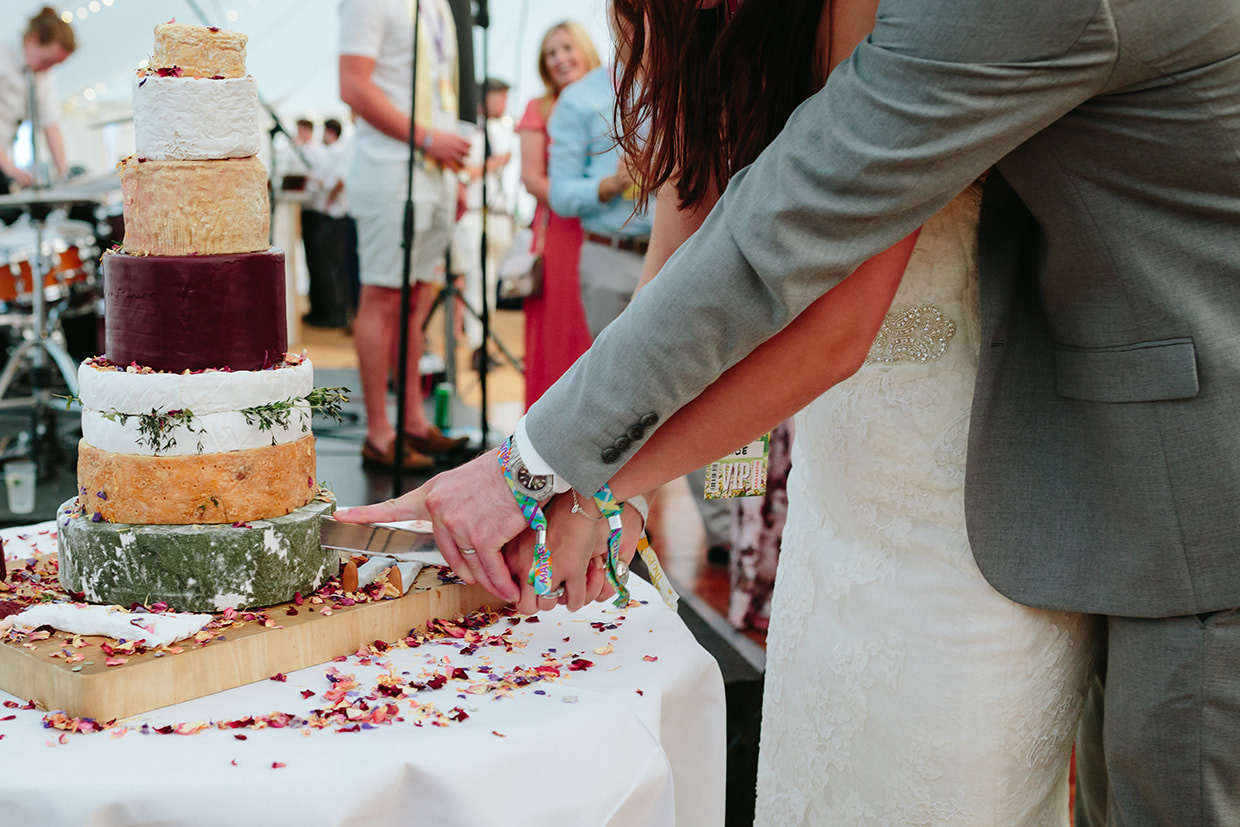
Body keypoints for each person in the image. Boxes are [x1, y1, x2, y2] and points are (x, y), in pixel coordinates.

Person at [340, 0, 1240, 824]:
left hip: (1137, 472)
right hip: (933, 481)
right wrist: (603, 482)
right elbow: (694, 233)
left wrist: (542, 469)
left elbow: (800, 280)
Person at [338, 0, 471, 470]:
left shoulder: (437, 5)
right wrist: (428, 139)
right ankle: (379, 432)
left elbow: (441, 92)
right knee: (382, 297)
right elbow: (353, 85)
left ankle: (413, 420)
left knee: (417, 297)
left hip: (434, 170)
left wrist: (452, 171)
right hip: (391, 169)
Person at [516, 21, 601, 409]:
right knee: (557, 334)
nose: (560, 59)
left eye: (567, 48)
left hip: (607, 230)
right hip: (560, 236)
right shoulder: (540, 108)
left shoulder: (614, 98)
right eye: (551, 54)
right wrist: (586, 195)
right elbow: (532, 179)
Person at [546, 63, 652, 339]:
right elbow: (560, 195)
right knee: (618, 373)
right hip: (611, 256)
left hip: (677, 253)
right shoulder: (580, 97)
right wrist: (612, 185)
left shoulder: (684, 81)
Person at [449, 77, 515, 369]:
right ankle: (477, 346)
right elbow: (462, 172)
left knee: (490, 285)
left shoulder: (506, 131)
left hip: (501, 216)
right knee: (479, 282)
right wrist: (493, 164)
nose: (503, 102)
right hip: (477, 214)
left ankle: (482, 342)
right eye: (498, 96)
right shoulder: (473, 133)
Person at [0, 7, 75, 199]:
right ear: (32, 40)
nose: (48, 69)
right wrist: (9, 167)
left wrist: (64, 174)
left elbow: (50, 122)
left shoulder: (41, 72)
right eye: (47, 61)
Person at [304, 117, 355, 329]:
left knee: (332, 266)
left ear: (331, 132)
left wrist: (330, 196)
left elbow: (339, 180)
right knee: (330, 265)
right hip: (333, 214)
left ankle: (336, 314)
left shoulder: (338, 152)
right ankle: (333, 311)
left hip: (334, 215)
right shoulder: (337, 152)